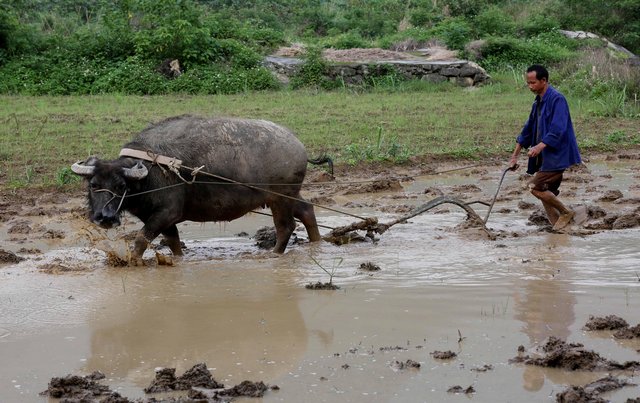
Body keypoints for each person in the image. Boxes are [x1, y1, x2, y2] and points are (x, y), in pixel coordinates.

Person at [509, 64, 581, 231]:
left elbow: (558, 128)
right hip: (545, 157)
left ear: (544, 81)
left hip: (557, 155)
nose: (530, 86)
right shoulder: (538, 103)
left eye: (533, 82)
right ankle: (559, 228)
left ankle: (565, 212)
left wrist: (540, 146)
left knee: (535, 188)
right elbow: (527, 131)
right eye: (528, 83)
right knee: (546, 193)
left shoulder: (557, 99)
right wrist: (514, 156)